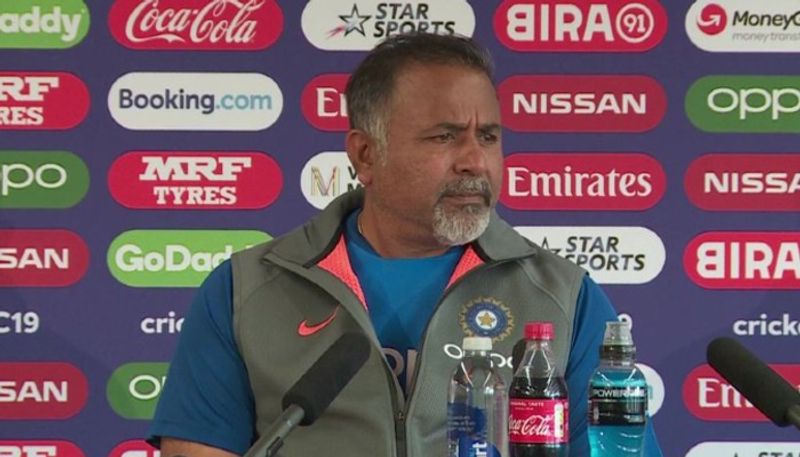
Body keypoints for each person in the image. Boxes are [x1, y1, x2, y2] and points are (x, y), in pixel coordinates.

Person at [147, 32, 663, 457]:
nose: (474, 161)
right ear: (365, 155)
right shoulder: (246, 288)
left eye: (488, 137)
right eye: (444, 137)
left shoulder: (562, 295)